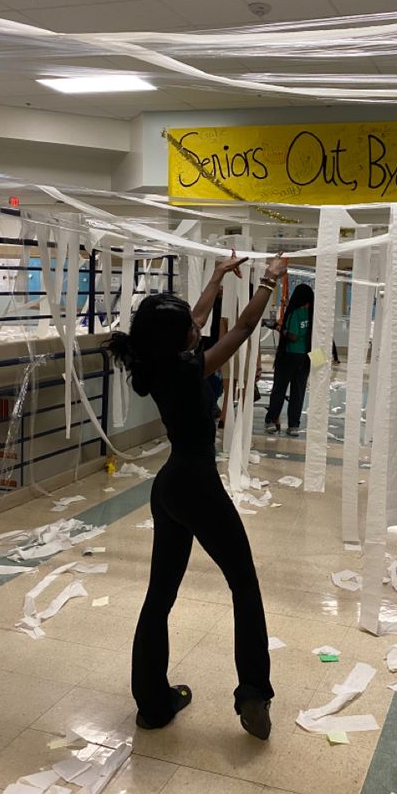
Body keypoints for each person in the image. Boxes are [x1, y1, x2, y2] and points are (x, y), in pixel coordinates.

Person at [107, 251, 288, 741]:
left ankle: (153, 705)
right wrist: (268, 282)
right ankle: (253, 691)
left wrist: (214, 278)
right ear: (182, 340)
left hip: (169, 488)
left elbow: (199, 317)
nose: (196, 324)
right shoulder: (189, 369)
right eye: (189, 325)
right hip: (197, 485)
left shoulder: (159, 361)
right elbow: (244, 328)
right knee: (244, 584)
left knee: (159, 597)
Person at [265, 283, 313, 436]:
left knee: (279, 389)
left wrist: (278, 328)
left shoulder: (295, 313)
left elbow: (293, 336)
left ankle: (272, 420)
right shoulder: (314, 315)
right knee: (298, 393)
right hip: (306, 358)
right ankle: (293, 425)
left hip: (289, 355)